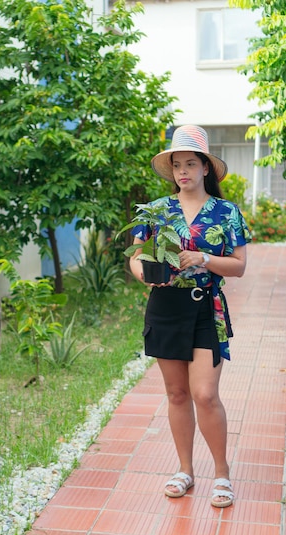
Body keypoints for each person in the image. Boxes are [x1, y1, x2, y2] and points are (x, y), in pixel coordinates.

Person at [130, 124, 251, 508]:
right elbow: (135, 258)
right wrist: (147, 279)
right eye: (177, 164)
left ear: (205, 169)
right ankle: (185, 469)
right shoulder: (155, 210)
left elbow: (239, 266)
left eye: (191, 164)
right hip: (165, 308)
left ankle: (221, 472)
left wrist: (203, 258)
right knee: (177, 393)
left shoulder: (226, 212)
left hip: (205, 307)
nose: (183, 171)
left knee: (205, 393)